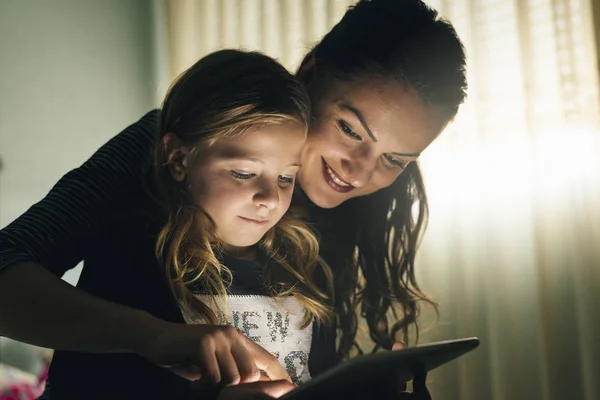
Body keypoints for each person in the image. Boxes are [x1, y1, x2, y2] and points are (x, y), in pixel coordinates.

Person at [0, 0, 467, 398]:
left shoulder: (346, 209)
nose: (359, 171)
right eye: (349, 129)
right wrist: (152, 336)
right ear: (309, 74)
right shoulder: (174, 144)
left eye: (395, 160)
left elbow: (297, 367)